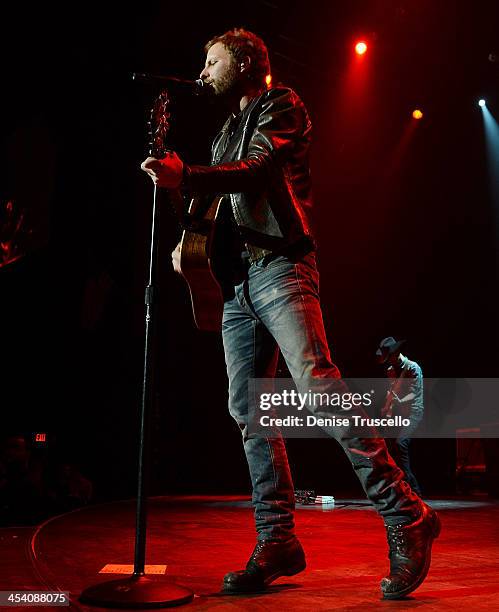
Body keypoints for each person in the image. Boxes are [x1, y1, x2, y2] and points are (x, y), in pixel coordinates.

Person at [141, 28, 440, 599]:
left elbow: (258, 172)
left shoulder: (283, 104)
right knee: (249, 413)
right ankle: (277, 539)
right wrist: (187, 228)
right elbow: (216, 197)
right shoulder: (227, 127)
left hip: (280, 268)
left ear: (245, 61)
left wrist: (192, 177)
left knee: (318, 387)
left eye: (213, 59)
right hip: (237, 286)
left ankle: (406, 514)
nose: (204, 69)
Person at [376, 337, 424, 496]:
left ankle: (415, 490)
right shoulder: (391, 370)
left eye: (387, 356)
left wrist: (400, 400)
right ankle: (397, 489)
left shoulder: (412, 368)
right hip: (399, 414)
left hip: (414, 412)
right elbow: (392, 391)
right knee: (387, 447)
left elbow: (415, 395)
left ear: (395, 353)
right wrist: (387, 411)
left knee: (401, 443)